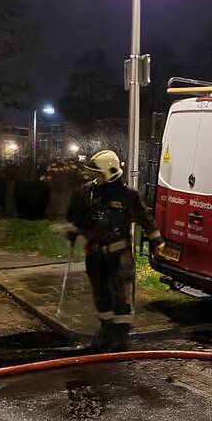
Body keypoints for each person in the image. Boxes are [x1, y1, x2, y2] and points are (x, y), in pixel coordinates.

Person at [66, 149, 164, 351]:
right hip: (94, 254)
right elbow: (80, 216)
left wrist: (157, 241)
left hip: (120, 256)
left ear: (110, 172)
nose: (96, 177)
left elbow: (146, 219)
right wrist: (73, 232)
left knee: (120, 296)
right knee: (100, 294)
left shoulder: (128, 196)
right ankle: (106, 329)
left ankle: (120, 335)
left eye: (99, 174)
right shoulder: (89, 192)